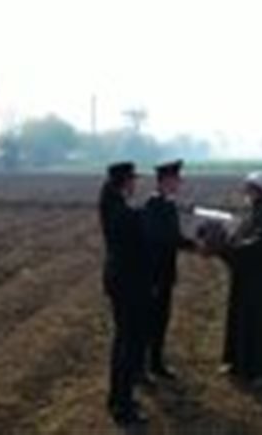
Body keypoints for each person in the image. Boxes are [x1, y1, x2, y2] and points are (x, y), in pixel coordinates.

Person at [218, 171, 262, 383]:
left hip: (261, 279)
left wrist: (232, 250)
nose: (246, 192)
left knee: (260, 324)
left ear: (259, 190)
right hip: (245, 276)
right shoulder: (251, 212)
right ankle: (238, 363)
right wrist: (227, 242)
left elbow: (260, 244)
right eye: (246, 187)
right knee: (241, 318)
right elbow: (239, 236)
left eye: (249, 188)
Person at [98, 162, 150, 426]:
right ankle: (122, 406)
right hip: (127, 284)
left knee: (124, 343)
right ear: (124, 182)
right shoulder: (121, 212)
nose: (135, 184)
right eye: (133, 180)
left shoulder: (114, 205)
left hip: (121, 281)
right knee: (127, 345)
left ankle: (120, 398)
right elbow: (136, 237)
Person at [143, 159, 196, 380]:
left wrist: (194, 244)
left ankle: (156, 363)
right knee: (150, 320)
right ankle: (143, 368)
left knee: (161, 319)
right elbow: (162, 238)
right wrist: (195, 245)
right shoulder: (153, 205)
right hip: (154, 273)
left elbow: (174, 237)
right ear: (165, 180)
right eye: (176, 179)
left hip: (165, 272)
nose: (179, 183)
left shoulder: (168, 204)